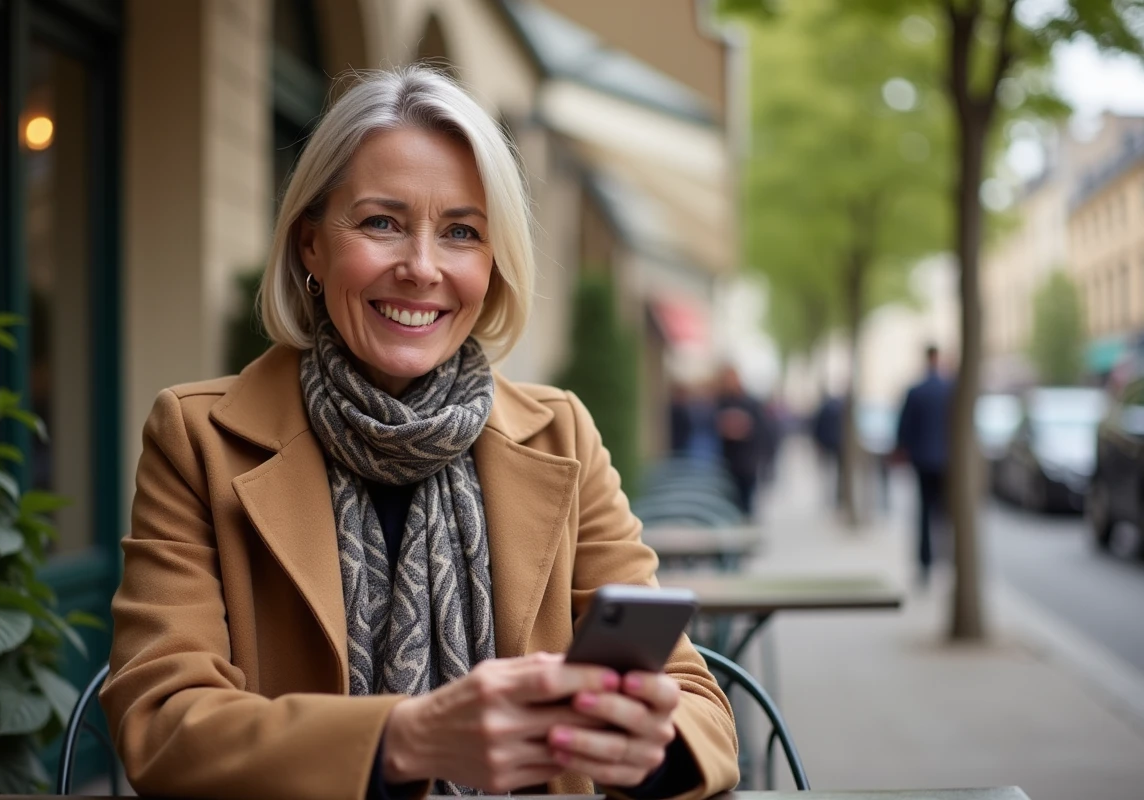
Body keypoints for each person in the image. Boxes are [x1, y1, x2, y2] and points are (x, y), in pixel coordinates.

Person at [99, 67, 737, 800]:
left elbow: (697, 704)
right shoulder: (197, 438)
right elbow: (161, 720)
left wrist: (646, 742)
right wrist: (405, 739)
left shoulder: (560, 433)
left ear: (494, 264)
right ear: (311, 245)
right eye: (381, 222)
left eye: (462, 232)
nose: (421, 267)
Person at [895, 345, 952, 584]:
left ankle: (925, 564)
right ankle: (946, 559)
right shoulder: (950, 388)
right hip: (946, 461)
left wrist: (901, 449)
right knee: (944, 514)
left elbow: (904, 428)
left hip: (922, 460)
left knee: (924, 514)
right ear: (938, 358)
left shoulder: (916, 391)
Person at [714, 366, 769, 521]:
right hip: (727, 461)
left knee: (747, 500)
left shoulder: (751, 403)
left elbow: (760, 430)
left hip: (747, 461)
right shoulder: (722, 401)